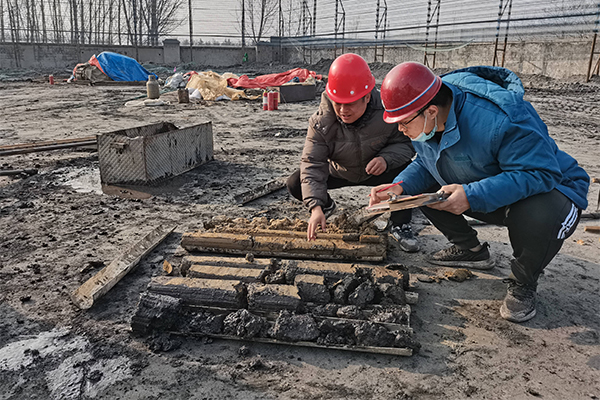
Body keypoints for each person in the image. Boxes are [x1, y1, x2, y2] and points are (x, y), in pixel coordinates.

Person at [370, 62, 590, 323]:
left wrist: (471, 194)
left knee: (539, 212)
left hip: (553, 190)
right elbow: (427, 162)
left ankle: (523, 282)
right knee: (423, 192)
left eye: (404, 122)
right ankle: (471, 250)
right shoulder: (432, 114)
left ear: (430, 111)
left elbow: (541, 173)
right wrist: (400, 186)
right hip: (484, 183)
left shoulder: (501, 118)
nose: (400, 129)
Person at [286, 53, 418, 249]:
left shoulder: (386, 111)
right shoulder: (321, 122)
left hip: (376, 171)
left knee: (406, 173)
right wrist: (315, 207)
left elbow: (406, 145)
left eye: (349, 103)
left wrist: (386, 159)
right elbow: (312, 163)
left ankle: (400, 224)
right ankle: (326, 206)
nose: (342, 110)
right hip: (341, 170)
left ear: (366, 97)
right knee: (296, 182)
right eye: (337, 102)